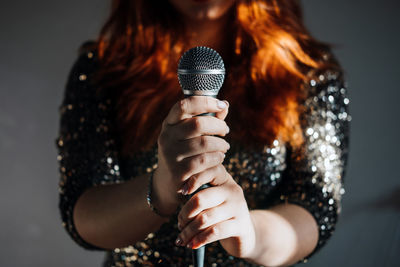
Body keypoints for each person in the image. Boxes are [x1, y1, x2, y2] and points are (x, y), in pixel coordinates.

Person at [55, 0, 351, 266]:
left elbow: (315, 206)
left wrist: (248, 231)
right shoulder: (102, 69)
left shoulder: (308, 71)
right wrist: (161, 187)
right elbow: (82, 212)